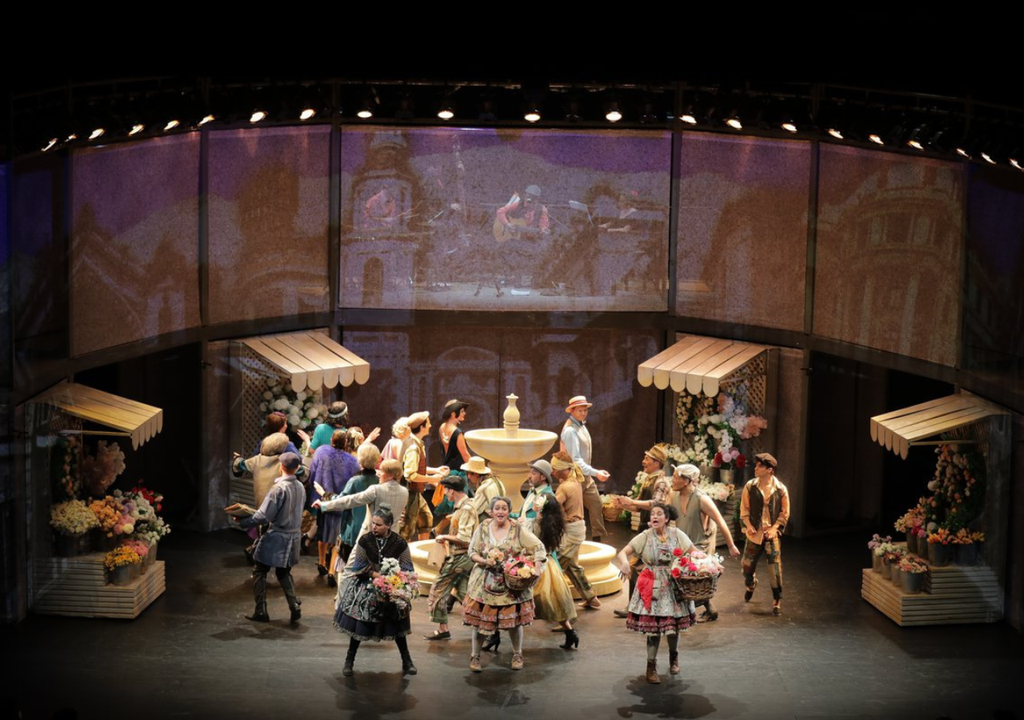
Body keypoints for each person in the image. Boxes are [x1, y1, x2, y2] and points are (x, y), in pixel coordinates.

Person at [613, 502, 695, 684]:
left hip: (674, 584)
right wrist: (624, 562)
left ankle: (674, 658)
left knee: (673, 626)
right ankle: (651, 667)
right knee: (654, 630)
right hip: (652, 584)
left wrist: (710, 563)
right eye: (652, 514)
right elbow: (623, 553)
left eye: (659, 514)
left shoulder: (677, 534)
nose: (655, 517)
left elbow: (694, 552)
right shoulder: (645, 536)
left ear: (666, 518)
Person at [464, 496, 546, 672]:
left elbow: (538, 547)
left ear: (509, 511)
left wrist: (537, 569)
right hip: (485, 581)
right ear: (491, 511)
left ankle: (517, 654)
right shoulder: (483, 527)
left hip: (510, 584)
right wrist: (484, 561)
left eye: (504, 508)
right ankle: (475, 656)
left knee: (514, 623)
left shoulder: (517, 529)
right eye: (497, 508)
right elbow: (472, 551)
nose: (500, 511)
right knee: (479, 623)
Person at [335, 505, 417, 676]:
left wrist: (396, 579)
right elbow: (358, 566)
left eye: (378, 525)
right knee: (359, 625)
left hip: (391, 586)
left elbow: (407, 567)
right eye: (373, 523)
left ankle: (406, 660)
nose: (374, 527)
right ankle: (349, 660)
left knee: (397, 625)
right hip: (367, 584)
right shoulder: (365, 541)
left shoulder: (399, 543)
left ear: (388, 525)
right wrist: (377, 575)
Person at [236, 452, 306, 625]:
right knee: (284, 572)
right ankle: (294, 606)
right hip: (294, 536)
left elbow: (262, 516)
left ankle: (261, 610)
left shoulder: (278, 489)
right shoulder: (300, 487)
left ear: (281, 466)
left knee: (260, 571)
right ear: (297, 468)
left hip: (277, 536)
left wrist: (243, 521)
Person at [667, 464, 741, 620]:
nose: (672, 480)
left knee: (690, 575)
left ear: (686, 481)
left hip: (700, 546)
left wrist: (731, 545)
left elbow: (720, 522)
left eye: (675, 477)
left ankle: (686, 611)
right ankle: (705, 609)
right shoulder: (673, 496)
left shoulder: (702, 499)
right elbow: (660, 509)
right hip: (683, 545)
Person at [612, 444, 671, 617]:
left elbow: (655, 504)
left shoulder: (661, 482)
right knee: (639, 569)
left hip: (655, 532)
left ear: (656, 463)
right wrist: (625, 505)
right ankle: (636, 606)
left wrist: (632, 502)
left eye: (647, 459)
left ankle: (636, 606)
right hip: (645, 530)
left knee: (639, 568)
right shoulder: (649, 480)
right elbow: (640, 508)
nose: (643, 462)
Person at [312, 458, 409, 556]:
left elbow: (350, 500)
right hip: (391, 542)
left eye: (382, 471)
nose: (378, 473)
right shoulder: (405, 492)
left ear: (390, 475)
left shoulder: (375, 489)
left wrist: (324, 505)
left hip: (369, 541)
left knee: (352, 568)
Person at [424, 475, 476, 640]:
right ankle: (486, 627)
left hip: (460, 557)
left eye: (446, 490)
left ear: (452, 491)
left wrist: (445, 538)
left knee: (438, 589)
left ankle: (443, 629)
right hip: (462, 558)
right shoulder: (463, 507)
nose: (445, 493)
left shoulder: (466, 509)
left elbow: (465, 538)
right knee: (464, 593)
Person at [740, 452, 790, 616]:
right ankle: (751, 583)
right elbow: (744, 509)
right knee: (746, 565)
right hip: (754, 534)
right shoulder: (750, 486)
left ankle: (777, 600)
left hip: (771, 534)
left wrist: (775, 528)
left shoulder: (780, 489)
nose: (756, 468)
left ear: (770, 470)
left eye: (760, 466)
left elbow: (784, 512)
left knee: (774, 569)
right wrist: (748, 525)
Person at [308, 428, 360, 583]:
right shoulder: (352, 461)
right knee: (338, 537)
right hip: (340, 502)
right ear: (346, 443)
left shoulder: (321, 451)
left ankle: (322, 561)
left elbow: (312, 472)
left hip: (323, 499)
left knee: (322, 531)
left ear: (331, 440)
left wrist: (314, 488)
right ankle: (332, 571)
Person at [550, 451, 601, 609]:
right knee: (572, 566)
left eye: (554, 469)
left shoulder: (565, 487)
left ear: (563, 470)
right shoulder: (576, 481)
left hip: (571, 530)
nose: (552, 472)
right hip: (577, 528)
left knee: (555, 567)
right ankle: (591, 596)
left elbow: (553, 507)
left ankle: (561, 608)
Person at [530, 494, 579, 649]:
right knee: (555, 602)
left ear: (539, 506)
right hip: (550, 564)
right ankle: (570, 633)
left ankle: (497, 635)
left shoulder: (536, 524)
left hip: (537, 563)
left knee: (520, 600)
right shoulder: (553, 524)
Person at [560, 395, 611, 542]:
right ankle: (569, 540)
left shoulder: (581, 425)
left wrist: (592, 474)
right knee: (573, 512)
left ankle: (598, 539)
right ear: (572, 411)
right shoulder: (570, 430)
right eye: (580, 410)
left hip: (585, 477)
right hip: (575, 478)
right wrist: (596, 473)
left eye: (585, 410)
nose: (583, 413)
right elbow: (576, 460)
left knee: (596, 503)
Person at [401, 411, 450, 541]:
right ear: (421, 427)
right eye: (428, 423)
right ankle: (404, 557)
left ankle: (421, 550)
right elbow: (410, 475)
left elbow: (417, 467)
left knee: (427, 520)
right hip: (409, 493)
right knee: (407, 528)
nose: (430, 425)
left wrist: (435, 470)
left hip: (416, 492)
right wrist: (432, 479)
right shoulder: (413, 447)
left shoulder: (417, 443)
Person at [336, 442, 381, 564]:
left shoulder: (355, 481)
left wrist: (325, 495)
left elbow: (341, 501)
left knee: (349, 568)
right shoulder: (379, 481)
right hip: (373, 532)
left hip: (353, 531)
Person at [432, 399, 471, 522]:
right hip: (458, 474)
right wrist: (476, 469)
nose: (464, 414)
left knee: (453, 506)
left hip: (447, 471)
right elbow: (465, 455)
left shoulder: (442, 428)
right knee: (461, 507)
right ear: (454, 414)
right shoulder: (457, 433)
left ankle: (441, 530)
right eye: (462, 411)